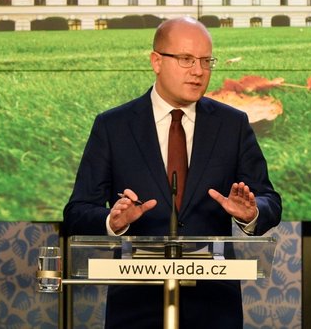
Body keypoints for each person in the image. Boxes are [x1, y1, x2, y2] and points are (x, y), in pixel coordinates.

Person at [63, 16, 282, 328]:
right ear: (156, 61)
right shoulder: (113, 126)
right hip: (135, 305)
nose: (198, 71)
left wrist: (251, 214)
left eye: (206, 61)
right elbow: (76, 212)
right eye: (186, 59)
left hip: (213, 305)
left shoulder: (232, 125)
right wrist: (112, 222)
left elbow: (269, 200)